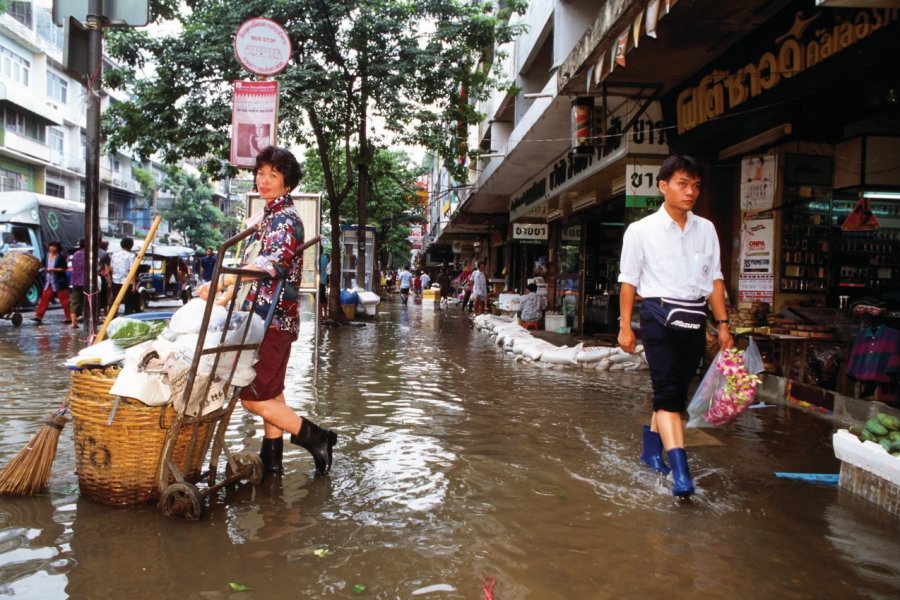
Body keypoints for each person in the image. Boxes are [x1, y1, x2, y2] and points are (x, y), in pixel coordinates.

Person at [201, 145, 336, 476]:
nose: (264, 180)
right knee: (272, 393)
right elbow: (253, 271)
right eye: (261, 173)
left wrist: (221, 283)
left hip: (271, 322)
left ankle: (318, 437)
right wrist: (227, 292)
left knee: (252, 397)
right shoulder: (268, 217)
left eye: (273, 175)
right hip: (263, 319)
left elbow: (271, 264)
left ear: (286, 183)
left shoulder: (285, 219)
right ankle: (272, 462)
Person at [617, 154, 733, 498]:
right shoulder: (640, 231)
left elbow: (714, 280)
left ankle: (651, 449)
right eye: (683, 184)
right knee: (668, 393)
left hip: (695, 318)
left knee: (675, 392)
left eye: (695, 185)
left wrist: (723, 323)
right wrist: (626, 326)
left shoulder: (706, 229)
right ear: (663, 186)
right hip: (657, 316)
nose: (690, 192)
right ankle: (682, 473)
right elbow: (628, 283)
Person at [31, 241, 71, 325]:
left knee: (65, 301)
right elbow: (42, 265)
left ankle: (69, 317)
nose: (52, 248)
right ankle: (39, 316)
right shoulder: (46, 256)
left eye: (54, 246)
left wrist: (53, 270)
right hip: (49, 282)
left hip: (59, 282)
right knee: (44, 299)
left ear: (57, 248)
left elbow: (64, 269)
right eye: (51, 246)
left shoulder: (61, 257)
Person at [110, 237, 139, 315]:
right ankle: (127, 316)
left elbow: (111, 268)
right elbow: (132, 270)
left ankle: (112, 317)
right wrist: (134, 283)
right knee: (129, 301)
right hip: (127, 282)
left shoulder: (114, 255)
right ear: (131, 245)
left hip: (115, 280)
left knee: (115, 300)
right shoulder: (131, 256)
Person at [69, 239, 85, 328]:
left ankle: (73, 322)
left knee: (74, 301)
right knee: (90, 301)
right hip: (88, 282)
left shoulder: (75, 254)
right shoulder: (90, 254)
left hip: (76, 281)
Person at [98, 239, 112, 315]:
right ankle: (105, 311)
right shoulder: (105, 254)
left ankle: (99, 312)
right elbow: (107, 269)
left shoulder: (94, 252)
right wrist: (109, 281)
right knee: (106, 295)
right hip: (103, 277)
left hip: (97, 277)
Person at [319, 250, 329, 319]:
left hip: (319, 281)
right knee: (323, 298)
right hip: (323, 280)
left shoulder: (318, 258)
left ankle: (321, 315)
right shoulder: (325, 258)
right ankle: (324, 314)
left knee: (320, 299)